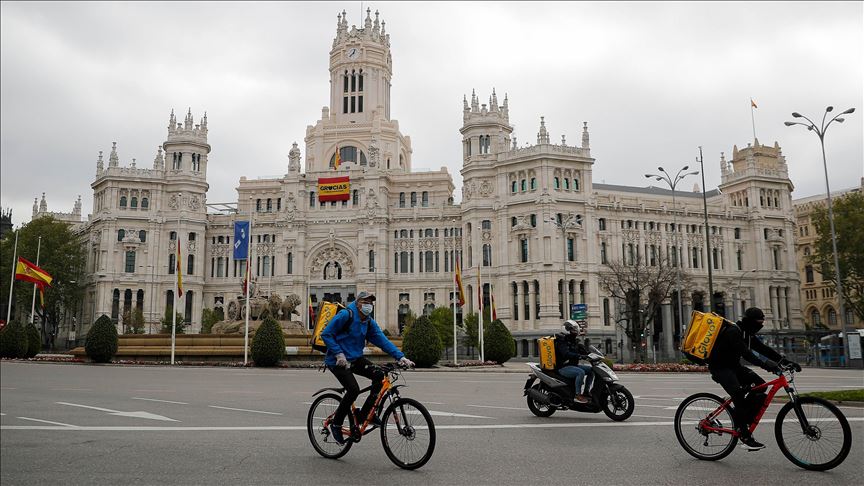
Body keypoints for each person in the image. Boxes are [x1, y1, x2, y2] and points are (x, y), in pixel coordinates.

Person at [320, 291, 414, 445]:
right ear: (358, 303)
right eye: (365, 301)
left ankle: (365, 415)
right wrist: (338, 354)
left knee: (379, 375)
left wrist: (401, 357)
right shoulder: (346, 315)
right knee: (353, 389)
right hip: (337, 361)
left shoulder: (369, 322)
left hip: (355, 358)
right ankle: (336, 424)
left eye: (371, 302)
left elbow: (383, 341)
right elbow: (327, 334)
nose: (368, 305)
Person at [707, 307, 801, 451]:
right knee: (738, 394)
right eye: (758, 323)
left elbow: (764, 350)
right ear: (749, 322)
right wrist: (768, 367)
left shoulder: (747, 333)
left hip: (734, 367)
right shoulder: (734, 331)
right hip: (720, 368)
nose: (759, 326)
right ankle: (744, 435)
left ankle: (742, 416)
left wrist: (785, 361)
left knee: (761, 385)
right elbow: (747, 355)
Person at [554, 320, 590, 404]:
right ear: (566, 329)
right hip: (563, 367)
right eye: (573, 329)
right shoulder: (561, 341)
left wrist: (589, 354)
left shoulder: (573, 340)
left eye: (575, 329)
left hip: (572, 365)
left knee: (592, 370)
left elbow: (580, 349)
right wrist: (579, 356)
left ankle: (586, 391)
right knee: (580, 372)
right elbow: (566, 353)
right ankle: (577, 395)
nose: (575, 331)